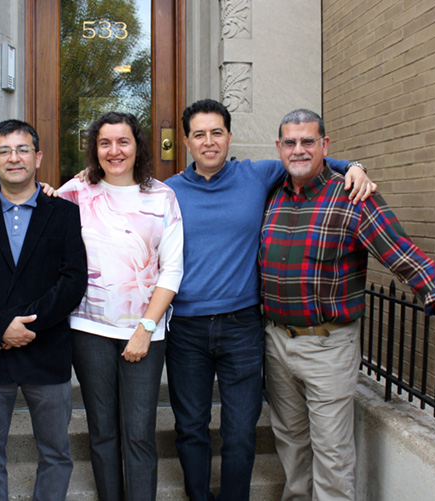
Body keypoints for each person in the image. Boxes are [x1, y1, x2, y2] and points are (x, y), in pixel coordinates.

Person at [260, 108, 435, 500]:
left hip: (328, 346)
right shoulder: (270, 193)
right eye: (290, 142)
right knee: (292, 445)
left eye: (308, 141)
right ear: (279, 147)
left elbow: (402, 254)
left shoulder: (353, 197)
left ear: (325, 146)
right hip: (276, 342)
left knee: (332, 454)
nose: (299, 150)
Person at [162, 99, 375, 501]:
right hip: (186, 329)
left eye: (217, 132)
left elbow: (310, 159)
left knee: (240, 430)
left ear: (229, 136)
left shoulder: (257, 174)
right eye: (199, 134)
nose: (209, 142)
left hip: (243, 326)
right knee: (190, 426)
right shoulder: (166, 193)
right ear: (186, 142)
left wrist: (355, 166)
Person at [0, 119, 87, 500]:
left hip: (47, 352)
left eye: (22, 149)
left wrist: (25, 327)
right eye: (4, 151)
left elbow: (72, 281)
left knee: (56, 452)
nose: (14, 158)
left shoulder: (64, 214)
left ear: (37, 157)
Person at [56, 111, 183, 501]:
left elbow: (172, 270)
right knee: (103, 431)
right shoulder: (76, 193)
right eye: (105, 143)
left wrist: (145, 329)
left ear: (137, 146)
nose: (115, 150)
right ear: (95, 150)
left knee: (140, 433)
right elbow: (33, 205)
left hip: (144, 331)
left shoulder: (162, 196)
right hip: (89, 329)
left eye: (123, 141)